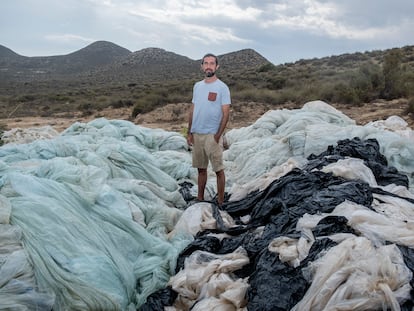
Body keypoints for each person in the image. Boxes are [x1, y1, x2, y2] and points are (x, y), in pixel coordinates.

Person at [187, 53, 231, 206]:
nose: (208, 66)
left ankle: (220, 201)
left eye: (212, 63)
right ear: (202, 66)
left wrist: (218, 135)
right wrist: (189, 132)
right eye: (206, 63)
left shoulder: (222, 87)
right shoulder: (197, 86)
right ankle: (200, 198)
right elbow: (193, 109)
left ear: (217, 67)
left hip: (212, 135)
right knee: (201, 169)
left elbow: (226, 113)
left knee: (218, 170)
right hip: (197, 133)